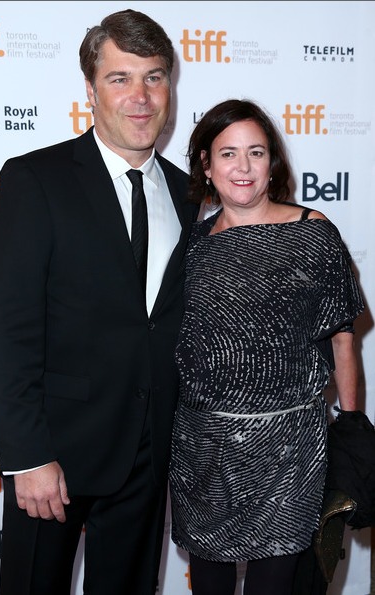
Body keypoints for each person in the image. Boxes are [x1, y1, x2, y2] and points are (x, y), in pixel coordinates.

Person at [0, 9, 197, 595]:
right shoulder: (36, 179)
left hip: (148, 460)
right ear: (90, 89)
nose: (141, 97)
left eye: (154, 77)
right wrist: (26, 456)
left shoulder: (189, 193)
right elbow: (6, 326)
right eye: (120, 78)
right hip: (53, 457)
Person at [168, 98, 365, 595]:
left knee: (276, 586)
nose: (243, 166)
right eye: (228, 153)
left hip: (288, 450)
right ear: (207, 167)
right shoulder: (193, 245)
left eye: (256, 152)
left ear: (271, 162)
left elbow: (342, 338)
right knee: (208, 586)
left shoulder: (313, 232)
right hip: (202, 449)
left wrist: (353, 422)